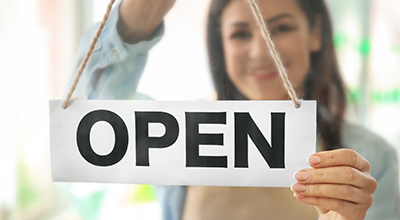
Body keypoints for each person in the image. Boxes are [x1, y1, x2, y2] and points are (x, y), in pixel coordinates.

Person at [71, 0, 399, 219]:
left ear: (314, 33)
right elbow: (88, 114)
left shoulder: (371, 158)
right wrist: (132, 24)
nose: (260, 51)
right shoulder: (177, 132)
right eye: (240, 34)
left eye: (282, 28)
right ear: (221, 44)